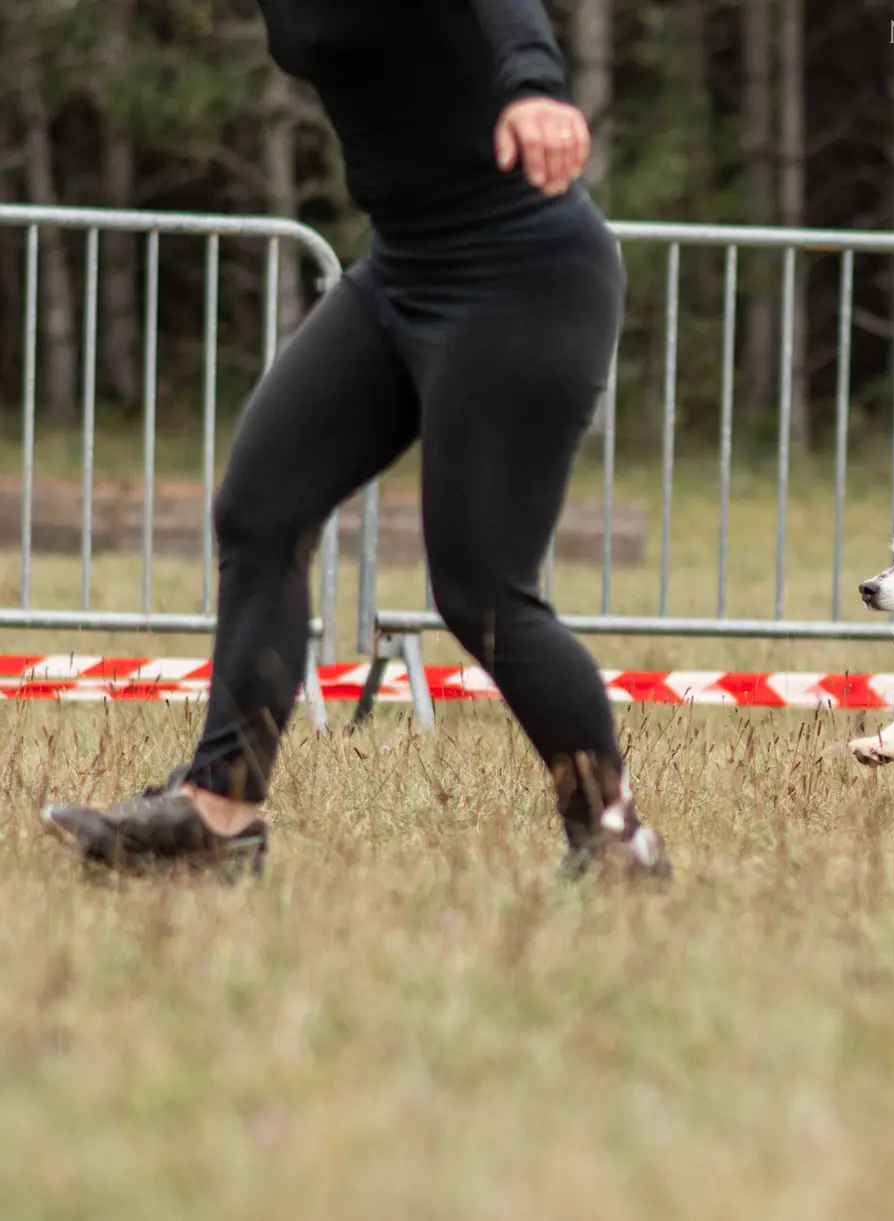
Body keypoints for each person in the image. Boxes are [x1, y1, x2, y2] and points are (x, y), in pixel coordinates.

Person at [39, 0, 670, 880]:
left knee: (482, 589)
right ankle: (219, 814)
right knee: (261, 510)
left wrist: (535, 87)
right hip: (404, 271)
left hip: (522, 271)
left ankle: (613, 837)